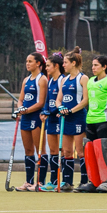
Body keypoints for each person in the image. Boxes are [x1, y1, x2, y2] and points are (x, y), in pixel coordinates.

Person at [80, 53, 107, 193]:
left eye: (96, 65)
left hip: (106, 120)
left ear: (104, 67)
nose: (93, 68)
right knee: (91, 152)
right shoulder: (90, 81)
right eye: (92, 65)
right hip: (90, 120)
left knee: (106, 152)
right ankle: (94, 181)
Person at [56, 48, 88, 192]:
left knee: (80, 152)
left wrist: (71, 110)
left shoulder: (83, 78)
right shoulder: (63, 79)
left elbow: (85, 100)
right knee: (67, 152)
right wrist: (61, 108)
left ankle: (84, 182)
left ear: (73, 63)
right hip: (65, 118)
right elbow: (58, 100)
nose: (63, 65)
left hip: (78, 117)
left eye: (65, 63)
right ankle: (67, 182)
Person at [15, 52, 47, 191]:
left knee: (40, 150)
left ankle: (40, 182)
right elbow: (21, 99)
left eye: (30, 61)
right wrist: (20, 109)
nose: (27, 63)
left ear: (38, 63)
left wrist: (26, 110)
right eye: (26, 61)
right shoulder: (26, 80)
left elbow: (41, 102)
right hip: (26, 117)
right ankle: (28, 181)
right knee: (28, 150)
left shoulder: (42, 79)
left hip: (36, 117)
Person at [39, 53, 64, 191]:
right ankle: (53, 180)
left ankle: (64, 180)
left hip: (60, 119)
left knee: (63, 151)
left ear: (56, 66)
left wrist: (51, 112)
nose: (46, 68)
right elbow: (48, 101)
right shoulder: (50, 81)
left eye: (48, 65)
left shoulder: (62, 80)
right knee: (53, 151)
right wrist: (44, 111)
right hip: (51, 120)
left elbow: (60, 101)